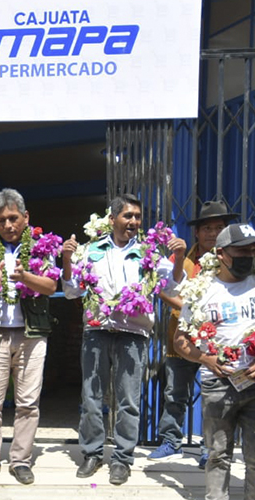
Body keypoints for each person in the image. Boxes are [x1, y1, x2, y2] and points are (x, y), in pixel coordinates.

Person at [61, 194, 185, 485]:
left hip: (133, 334)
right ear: (113, 219)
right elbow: (71, 290)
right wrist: (67, 259)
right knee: (91, 396)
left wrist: (178, 257)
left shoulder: (149, 253)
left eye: (137, 217)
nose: (133, 222)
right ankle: (92, 453)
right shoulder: (92, 250)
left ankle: (123, 458)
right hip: (96, 331)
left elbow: (172, 283)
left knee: (128, 400)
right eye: (128, 216)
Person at [174, 224, 255, 500]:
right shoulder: (201, 289)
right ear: (220, 254)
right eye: (242, 250)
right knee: (217, 454)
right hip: (218, 385)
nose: (249, 256)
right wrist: (205, 359)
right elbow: (181, 341)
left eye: (253, 250)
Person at [0, 189, 60, 486]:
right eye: (2, 219)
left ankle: (20, 460)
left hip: (32, 335)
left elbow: (51, 286)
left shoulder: (42, 247)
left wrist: (25, 277)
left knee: (28, 402)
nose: (8, 225)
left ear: (26, 217)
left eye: (14, 218)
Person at [148, 200, 236, 462]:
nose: (212, 233)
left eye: (218, 227)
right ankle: (170, 441)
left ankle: (210, 448)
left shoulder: (233, 261)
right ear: (197, 232)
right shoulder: (181, 261)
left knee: (215, 395)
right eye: (206, 228)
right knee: (175, 392)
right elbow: (162, 289)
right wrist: (192, 310)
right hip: (183, 336)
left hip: (218, 340)